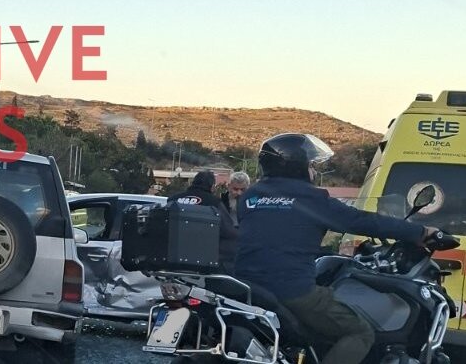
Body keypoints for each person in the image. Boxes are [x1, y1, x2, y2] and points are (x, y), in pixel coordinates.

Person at [235, 133, 438, 364]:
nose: (313, 170)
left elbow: (275, 237)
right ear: (296, 165)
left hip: (247, 286)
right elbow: (361, 221)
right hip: (291, 290)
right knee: (360, 332)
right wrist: (420, 232)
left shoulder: (250, 196)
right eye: (311, 165)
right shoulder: (311, 198)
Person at [168, 170, 238, 274]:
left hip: (172, 257)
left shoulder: (173, 200)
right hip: (204, 261)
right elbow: (228, 230)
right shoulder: (213, 202)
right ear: (212, 186)